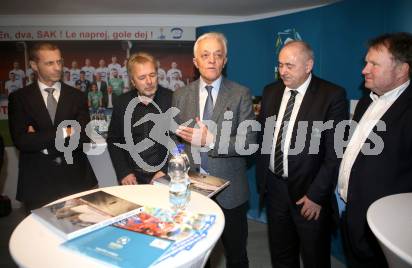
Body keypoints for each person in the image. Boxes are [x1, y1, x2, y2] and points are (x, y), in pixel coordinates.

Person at [337, 32, 412, 267]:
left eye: (374, 63)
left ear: (402, 70)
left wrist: (408, 235)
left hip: (386, 232)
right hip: (352, 219)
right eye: (366, 62)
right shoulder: (366, 101)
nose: (364, 70)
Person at [256, 40, 348, 268]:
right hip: (275, 189)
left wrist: (317, 195)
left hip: (309, 194)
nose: (283, 71)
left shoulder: (332, 95)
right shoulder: (270, 91)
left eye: (290, 66)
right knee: (281, 255)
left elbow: (335, 153)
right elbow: (263, 137)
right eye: (280, 65)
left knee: (314, 257)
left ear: (308, 65)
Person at [173, 32, 256, 268]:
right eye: (205, 55)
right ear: (196, 61)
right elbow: (176, 139)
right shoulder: (180, 96)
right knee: (197, 255)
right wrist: (177, 165)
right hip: (193, 192)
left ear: (225, 60)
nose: (212, 60)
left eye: (218, 55)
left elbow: (249, 143)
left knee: (237, 256)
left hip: (231, 192)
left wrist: (211, 140)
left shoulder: (241, 94)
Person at [8, 42, 97, 211]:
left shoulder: (76, 96)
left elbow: (83, 135)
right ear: (34, 65)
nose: (57, 68)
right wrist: (66, 130)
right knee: (39, 235)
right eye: (49, 63)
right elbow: (22, 141)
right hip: (38, 183)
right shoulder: (19, 98)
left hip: (75, 180)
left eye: (59, 62)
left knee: (81, 233)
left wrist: (39, 137)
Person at [107, 52, 172, 185]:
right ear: (133, 82)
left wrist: (166, 170)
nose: (149, 82)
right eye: (142, 77)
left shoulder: (173, 99)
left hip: (166, 177)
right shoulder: (122, 103)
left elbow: (179, 140)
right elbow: (114, 140)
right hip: (133, 179)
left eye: (152, 75)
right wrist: (124, 172)